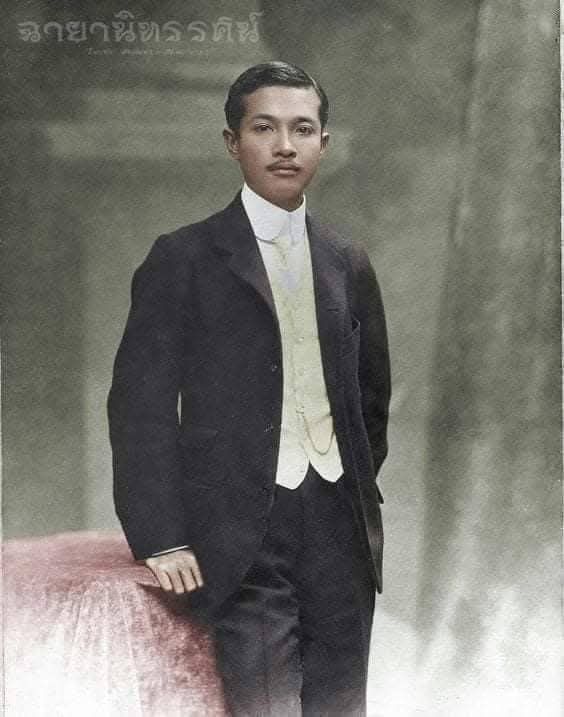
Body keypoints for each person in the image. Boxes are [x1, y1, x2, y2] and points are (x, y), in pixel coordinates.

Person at [108, 60, 391, 717]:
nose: (285, 145)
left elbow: (370, 399)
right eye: (265, 128)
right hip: (240, 534)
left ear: (324, 143)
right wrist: (162, 535)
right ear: (232, 142)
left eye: (303, 129)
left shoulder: (346, 261)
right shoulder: (183, 257)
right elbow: (141, 407)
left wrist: (347, 482)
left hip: (339, 529)